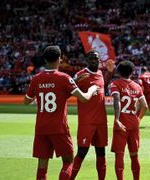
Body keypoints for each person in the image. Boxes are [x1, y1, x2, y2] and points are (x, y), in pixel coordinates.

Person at [24, 46, 99, 180]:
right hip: (59, 127)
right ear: (60, 59)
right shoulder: (64, 78)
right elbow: (84, 98)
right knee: (68, 161)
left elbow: (26, 101)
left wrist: (72, 83)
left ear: (45, 60)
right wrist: (92, 89)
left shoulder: (36, 78)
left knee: (42, 165)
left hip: (41, 127)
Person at [70, 49, 115, 180]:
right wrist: (76, 80)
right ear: (87, 60)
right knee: (82, 152)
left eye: (96, 58)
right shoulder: (81, 74)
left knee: (101, 153)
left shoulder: (101, 73)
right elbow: (68, 88)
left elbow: (103, 86)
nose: (95, 60)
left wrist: (110, 73)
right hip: (87, 121)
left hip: (101, 120)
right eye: (92, 58)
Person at [110, 60, 147, 180]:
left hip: (121, 124)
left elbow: (116, 101)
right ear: (132, 72)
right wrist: (138, 119)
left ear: (119, 72)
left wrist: (116, 119)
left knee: (119, 156)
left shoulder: (115, 84)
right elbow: (144, 105)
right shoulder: (137, 86)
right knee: (134, 156)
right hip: (134, 124)